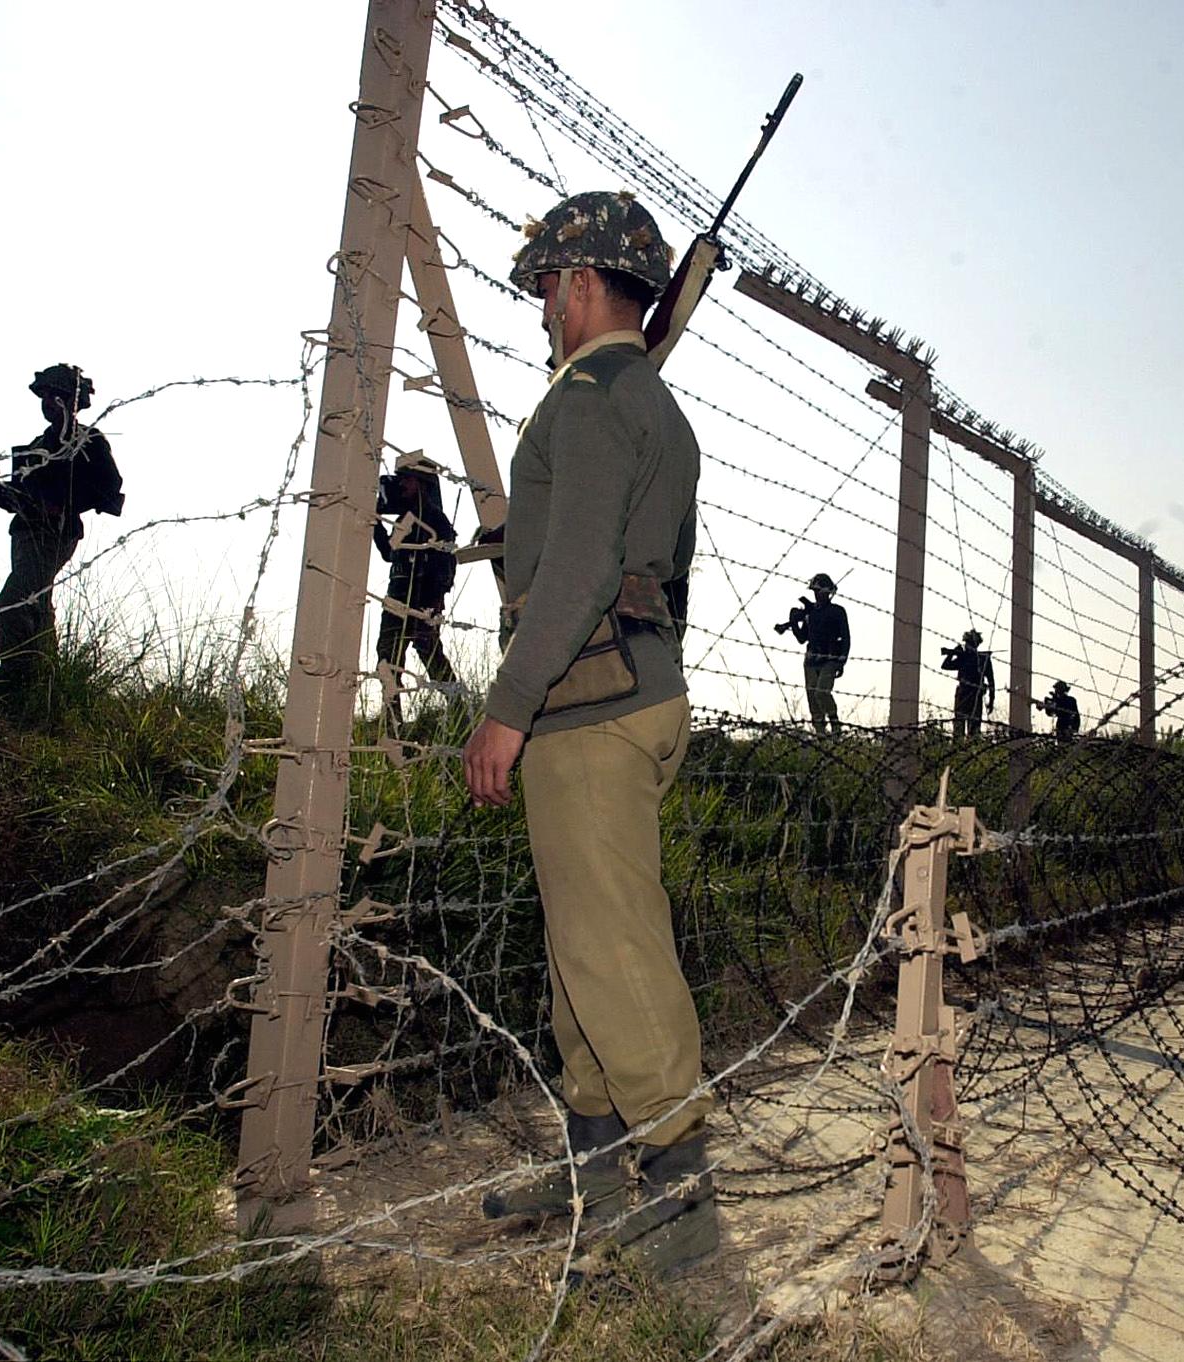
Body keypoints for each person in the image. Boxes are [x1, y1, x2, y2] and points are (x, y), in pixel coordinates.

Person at [462, 190, 712, 1278]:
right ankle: (595, 1174)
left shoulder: (596, 395)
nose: (540, 310)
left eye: (544, 289)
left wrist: (505, 709)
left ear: (575, 284)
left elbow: (574, 572)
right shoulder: (643, 398)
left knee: (611, 951)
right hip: (621, 687)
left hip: (588, 704)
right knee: (582, 956)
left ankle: (677, 1200)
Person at [0, 364, 123, 695]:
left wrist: (63, 504)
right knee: (37, 600)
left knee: (16, 599)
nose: (49, 402)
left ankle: (14, 677)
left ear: (71, 401)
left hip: (56, 533)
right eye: (45, 396)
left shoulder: (88, 441)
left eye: (56, 395)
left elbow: (109, 488)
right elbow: (23, 495)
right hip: (25, 532)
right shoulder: (37, 445)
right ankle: (41, 680)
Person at [372, 451, 459, 725]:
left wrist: (435, 600)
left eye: (407, 481)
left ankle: (458, 710)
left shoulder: (437, 521)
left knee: (432, 659)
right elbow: (389, 552)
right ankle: (391, 720)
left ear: (421, 483)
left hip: (422, 601)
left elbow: (446, 562)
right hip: (397, 598)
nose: (402, 486)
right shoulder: (405, 520)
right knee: (387, 660)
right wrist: (374, 520)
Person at [777, 571, 849, 733]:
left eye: (820, 591)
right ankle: (820, 736)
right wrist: (794, 623)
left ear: (828, 592)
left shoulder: (837, 612)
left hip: (830, 659)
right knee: (813, 702)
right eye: (815, 592)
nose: (817, 595)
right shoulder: (811, 613)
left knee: (821, 693)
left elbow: (845, 638)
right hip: (811, 660)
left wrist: (841, 661)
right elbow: (802, 638)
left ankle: (835, 724)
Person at [940, 629, 995, 739]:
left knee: (972, 730)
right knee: (961, 729)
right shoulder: (972, 658)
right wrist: (953, 652)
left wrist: (991, 700)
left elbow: (991, 681)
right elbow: (945, 665)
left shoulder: (981, 659)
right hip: (966, 695)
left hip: (972, 695)